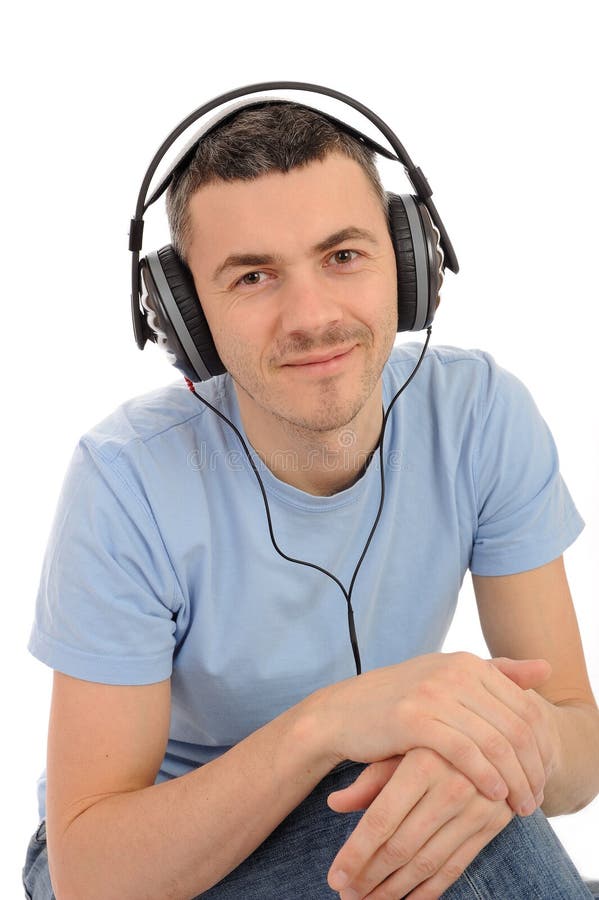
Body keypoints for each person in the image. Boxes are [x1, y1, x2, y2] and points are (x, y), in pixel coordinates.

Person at [23, 86, 599, 899]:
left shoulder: (478, 415)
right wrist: (328, 724)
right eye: (253, 276)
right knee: (464, 834)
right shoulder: (126, 479)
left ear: (409, 264)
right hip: (153, 860)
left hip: (361, 801)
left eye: (343, 256)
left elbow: (577, 758)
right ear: (188, 318)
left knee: (464, 810)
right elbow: (88, 871)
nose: (311, 315)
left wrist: (500, 747)